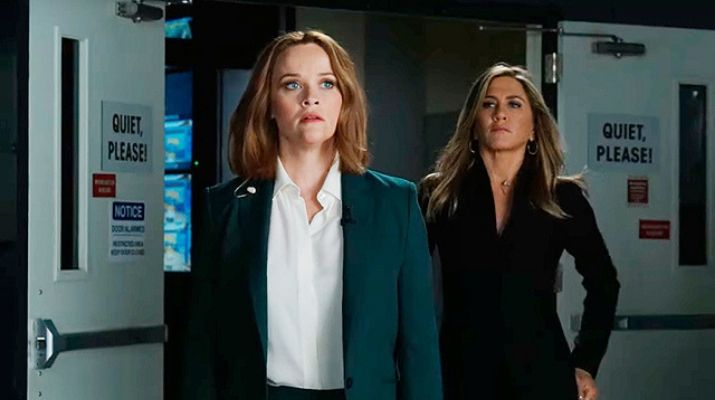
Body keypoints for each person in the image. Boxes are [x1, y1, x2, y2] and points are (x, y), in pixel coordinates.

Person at [181, 30, 442, 400]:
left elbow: (420, 349)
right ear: (268, 104)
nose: (311, 98)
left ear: (344, 100)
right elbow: (202, 349)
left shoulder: (395, 204)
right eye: (292, 85)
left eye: (327, 83)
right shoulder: (225, 207)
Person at [420, 63, 620, 400]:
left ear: (534, 128)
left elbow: (604, 282)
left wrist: (586, 362)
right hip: (461, 374)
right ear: (473, 125)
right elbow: (403, 282)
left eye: (514, 104)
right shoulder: (438, 194)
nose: (500, 113)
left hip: (542, 374)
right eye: (489, 104)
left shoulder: (561, 197)